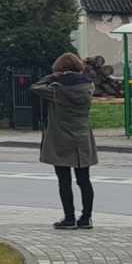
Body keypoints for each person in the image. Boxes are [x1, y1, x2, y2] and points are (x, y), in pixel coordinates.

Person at [32, 53, 99, 230]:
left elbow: (35, 87)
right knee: (84, 180)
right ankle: (86, 218)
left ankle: (69, 219)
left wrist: (52, 77)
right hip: (82, 139)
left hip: (60, 139)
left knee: (64, 181)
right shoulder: (89, 86)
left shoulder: (57, 90)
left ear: (60, 69)